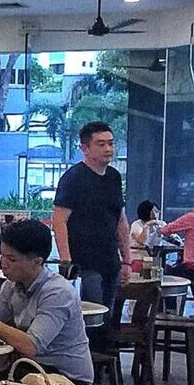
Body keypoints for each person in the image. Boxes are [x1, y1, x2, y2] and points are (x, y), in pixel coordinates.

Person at [0, 218, 93, 384]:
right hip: (29, 367)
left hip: (66, 377)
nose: (3, 264)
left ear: (37, 262)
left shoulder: (58, 292)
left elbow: (31, 346)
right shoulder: (11, 285)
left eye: (11, 259)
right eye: (2, 256)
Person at [53, 121, 129, 314]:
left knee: (108, 316)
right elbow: (59, 221)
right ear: (85, 149)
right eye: (101, 144)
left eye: (111, 143)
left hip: (111, 261)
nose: (108, 149)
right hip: (84, 263)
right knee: (90, 316)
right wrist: (66, 261)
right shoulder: (73, 178)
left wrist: (127, 260)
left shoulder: (114, 177)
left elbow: (121, 220)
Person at [128, 200, 165, 271]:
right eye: (154, 212)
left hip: (155, 259)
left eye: (157, 212)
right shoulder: (136, 224)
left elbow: (172, 237)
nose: (156, 214)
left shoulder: (161, 224)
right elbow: (142, 241)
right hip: (138, 258)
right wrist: (147, 226)